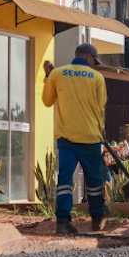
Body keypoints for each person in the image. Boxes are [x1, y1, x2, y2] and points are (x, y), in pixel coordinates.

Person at [41, 43, 109, 236]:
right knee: (94, 180)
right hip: (90, 137)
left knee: (65, 180)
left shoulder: (57, 74)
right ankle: (97, 218)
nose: (94, 65)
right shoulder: (97, 77)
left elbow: (47, 102)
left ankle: (62, 222)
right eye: (93, 62)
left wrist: (49, 76)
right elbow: (100, 104)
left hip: (66, 138)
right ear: (88, 58)